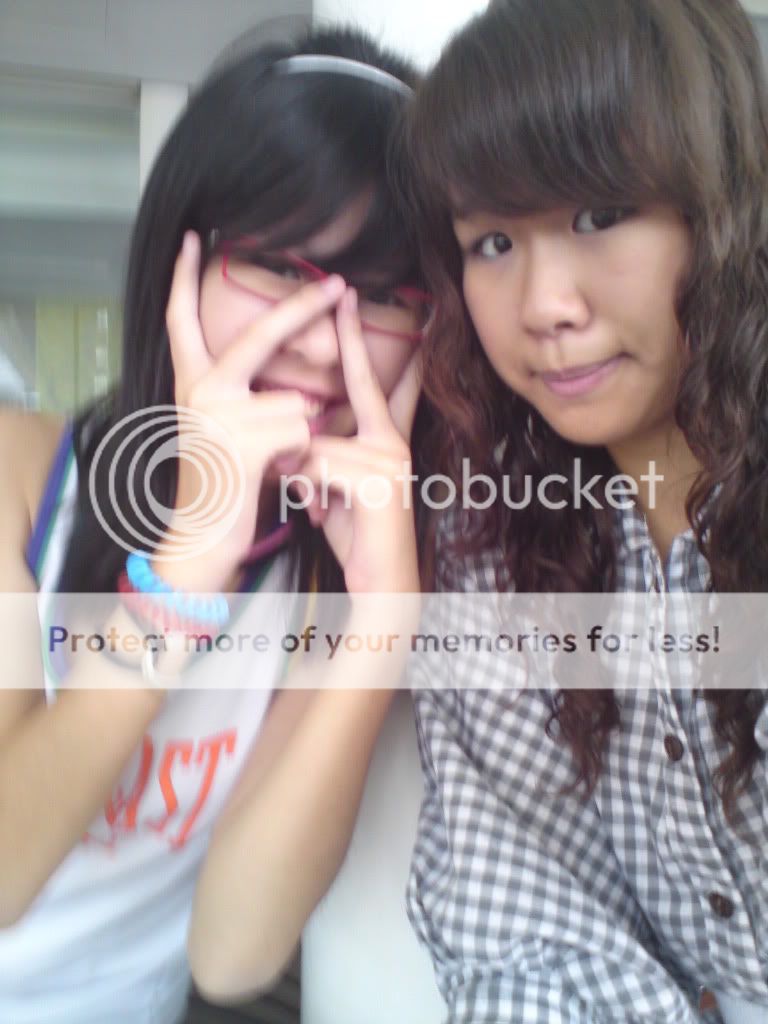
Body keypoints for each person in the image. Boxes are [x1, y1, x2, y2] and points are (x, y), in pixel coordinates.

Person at [0, 25, 429, 1024]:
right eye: (275, 266)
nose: (320, 344)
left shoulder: (329, 576)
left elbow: (234, 952)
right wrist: (186, 568)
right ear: (176, 263)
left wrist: (384, 618)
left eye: (383, 294)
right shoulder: (20, 476)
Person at [402, 1, 768, 1021]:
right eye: (491, 242)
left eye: (600, 215)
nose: (544, 307)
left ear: (727, 205)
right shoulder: (494, 547)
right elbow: (522, 917)